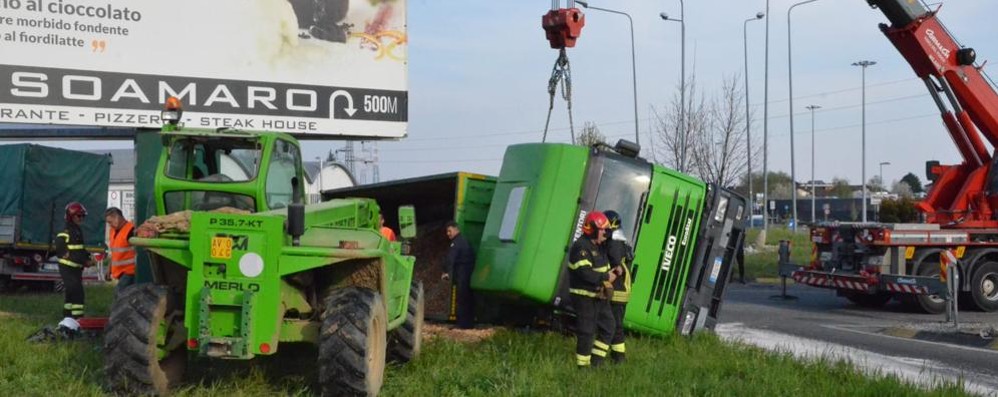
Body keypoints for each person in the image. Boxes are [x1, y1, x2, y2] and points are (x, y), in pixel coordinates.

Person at [568, 211, 617, 368]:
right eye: (603, 230)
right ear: (593, 229)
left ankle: (596, 363)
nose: (606, 233)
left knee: (609, 327)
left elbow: (606, 268)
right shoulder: (581, 247)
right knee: (587, 332)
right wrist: (605, 278)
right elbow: (584, 273)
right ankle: (582, 367)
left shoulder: (599, 247)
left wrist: (612, 275)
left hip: (599, 297)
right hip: (584, 297)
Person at [54, 202, 95, 334]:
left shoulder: (77, 230)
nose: (81, 218)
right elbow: (60, 243)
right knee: (77, 293)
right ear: (71, 216)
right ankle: (78, 319)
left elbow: (79, 249)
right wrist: (64, 253)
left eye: (83, 216)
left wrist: (88, 258)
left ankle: (67, 316)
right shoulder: (67, 230)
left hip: (76, 268)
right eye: (79, 216)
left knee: (71, 293)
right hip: (68, 268)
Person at [603, 210, 633, 363]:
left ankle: (619, 358)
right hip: (619, 291)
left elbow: (614, 263)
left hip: (617, 292)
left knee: (614, 325)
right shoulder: (619, 239)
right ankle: (617, 356)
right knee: (614, 324)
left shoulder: (614, 241)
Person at [441, 221, 475, 329]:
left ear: (456, 230)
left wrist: (446, 272)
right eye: (447, 231)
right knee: (466, 297)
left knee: (462, 298)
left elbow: (451, 258)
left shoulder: (456, 243)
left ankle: (463, 324)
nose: (448, 234)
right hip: (466, 272)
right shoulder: (463, 241)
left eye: (449, 231)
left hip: (462, 273)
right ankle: (467, 323)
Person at [105, 207, 136, 296]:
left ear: (117, 217)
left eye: (110, 222)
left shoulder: (131, 230)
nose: (110, 225)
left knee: (119, 295)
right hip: (120, 272)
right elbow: (114, 252)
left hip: (129, 271)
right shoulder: (113, 231)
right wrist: (109, 269)